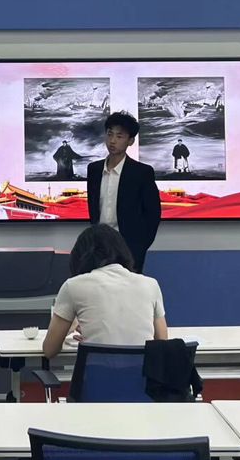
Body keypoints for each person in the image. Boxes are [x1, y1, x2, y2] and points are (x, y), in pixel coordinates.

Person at [43, 225, 167, 359]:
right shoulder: (150, 284)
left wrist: (73, 330)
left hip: (95, 372)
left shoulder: (73, 286)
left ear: (80, 256)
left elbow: (50, 350)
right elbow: (163, 343)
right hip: (142, 372)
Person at [86, 111, 162, 273]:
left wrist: (140, 247)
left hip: (130, 248)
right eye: (109, 134)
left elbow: (152, 215)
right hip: (99, 247)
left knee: (128, 288)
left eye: (119, 136)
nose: (112, 140)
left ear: (130, 141)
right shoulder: (94, 169)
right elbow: (93, 209)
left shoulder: (141, 173)